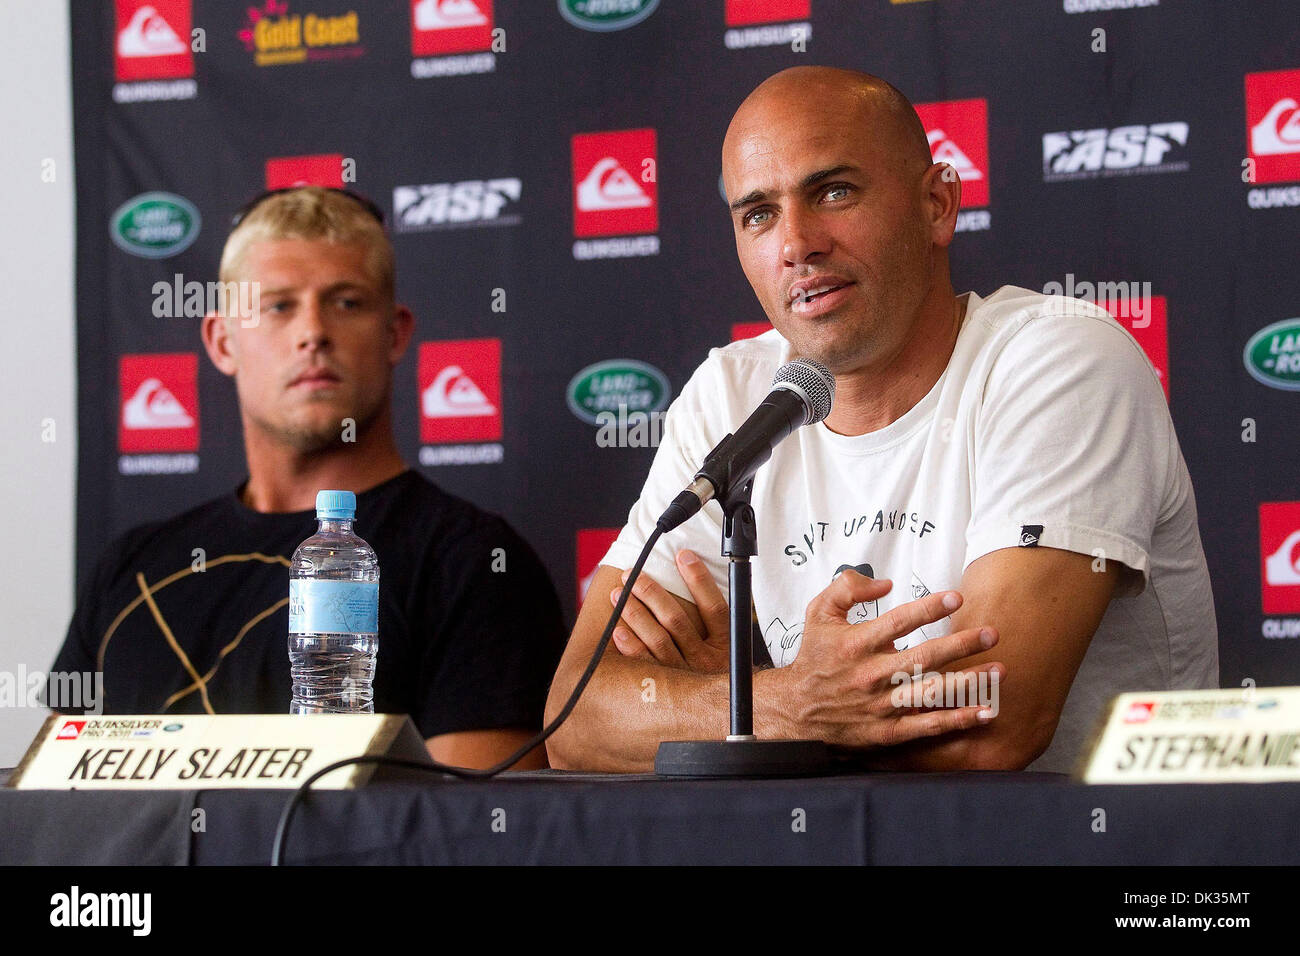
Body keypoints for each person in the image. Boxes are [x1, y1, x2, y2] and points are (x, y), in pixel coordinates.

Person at [544, 67, 1219, 774]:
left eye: (833, 192)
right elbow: (578, 721)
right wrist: (778, 703)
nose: (796, 243)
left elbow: (990, 719)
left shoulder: (1061, 359)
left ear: (936, 204)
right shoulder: (731, 393)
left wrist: (736, 715)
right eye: (758, 214)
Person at [50, 187, 566, 769]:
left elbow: (478, 837)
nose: (312, 332)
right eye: (277, 306)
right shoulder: (129, 568)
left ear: (394, 334)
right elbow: (54, 817)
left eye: (346, 302)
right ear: (223, 341)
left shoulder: (474, 562)